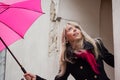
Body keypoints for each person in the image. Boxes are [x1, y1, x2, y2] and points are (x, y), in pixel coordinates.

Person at [24, 21, 114, 80]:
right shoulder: (68, 59)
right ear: (66, 38)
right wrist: (35, 79)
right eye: (70, 29)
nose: (75, 29)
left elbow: (114, 62)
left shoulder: (96, 45)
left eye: (76, 27)